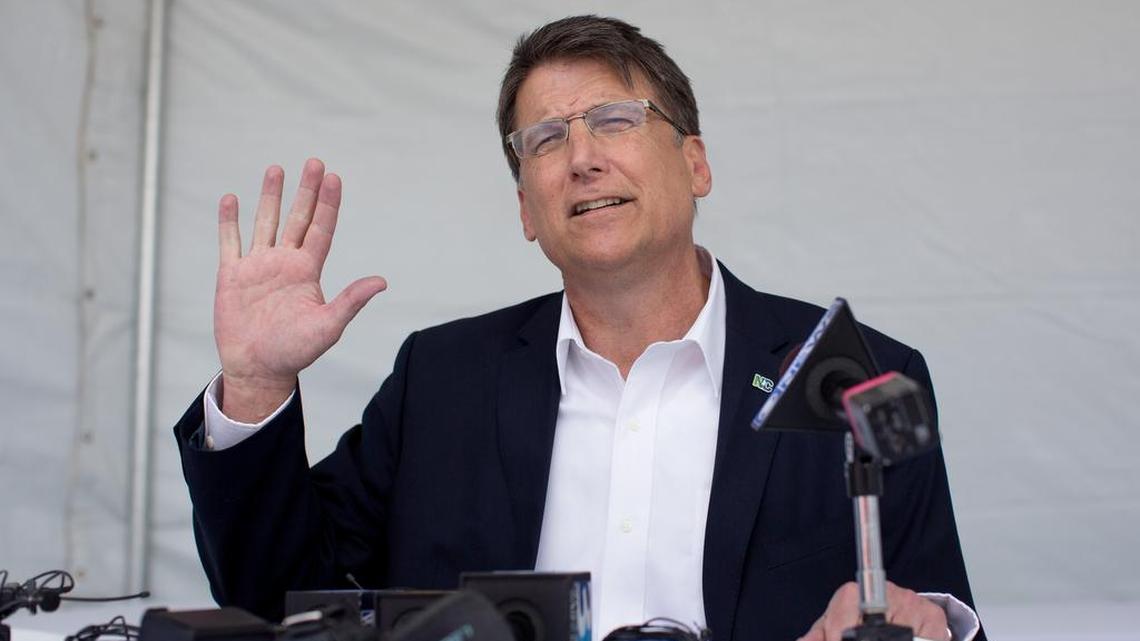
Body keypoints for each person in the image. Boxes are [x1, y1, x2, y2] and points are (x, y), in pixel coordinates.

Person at [174, 15, 983, 641]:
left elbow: (935, 607)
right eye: (547, 139)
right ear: (527, 207)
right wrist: (254, 384)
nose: (583, 158)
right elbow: (276, 603)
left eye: (615, 120)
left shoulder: (854, 372)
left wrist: (925, 621)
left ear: (695, 163)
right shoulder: (443, 379)